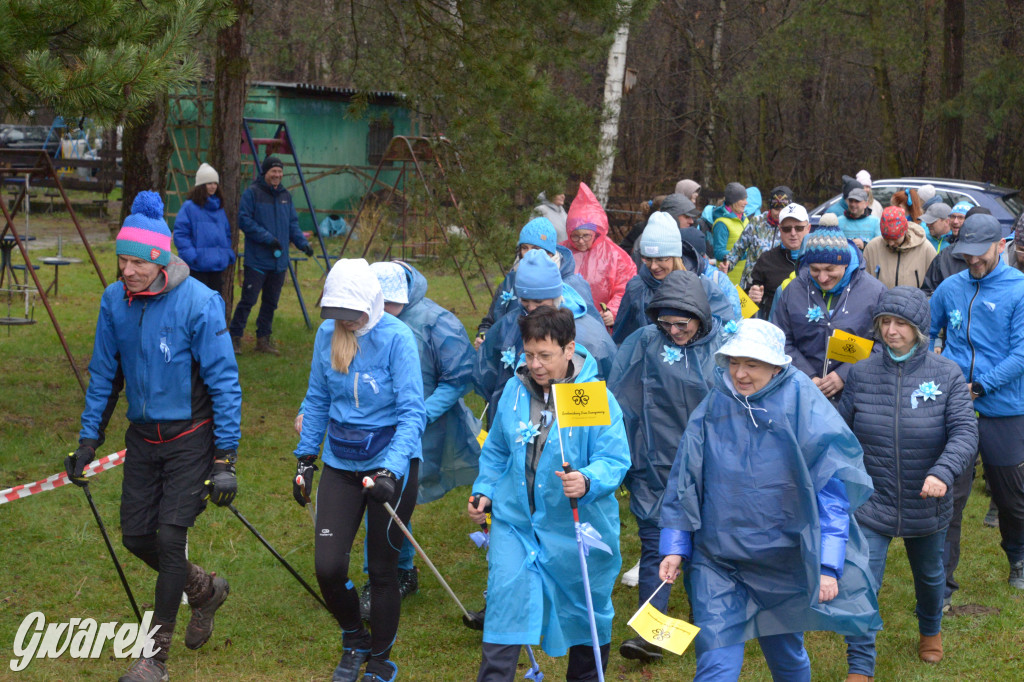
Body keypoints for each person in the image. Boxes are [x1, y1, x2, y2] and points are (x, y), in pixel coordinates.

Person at [64, 192, 241, 682]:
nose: (127, 269)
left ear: (161, 259)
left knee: (168, 539)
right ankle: (205, 590)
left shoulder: (200, 303)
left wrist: (225, 459)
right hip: (144, 438)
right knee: (137, 536)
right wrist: (87, 442)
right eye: (121, 258)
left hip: (192, 437)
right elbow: (105, 376)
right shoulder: (112, 302)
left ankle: (154, 660)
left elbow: (225, 382)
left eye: (137, 261)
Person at [658, 318, 881, 682]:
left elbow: (831, 491)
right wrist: (675, 545)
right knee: (715, 662)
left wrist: (828, 564)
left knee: (787, 657)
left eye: (752, 364)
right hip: (719, 561)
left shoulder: (802, 403)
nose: (740, 373)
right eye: (733, 362)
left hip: (782, 558)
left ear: (776, 365)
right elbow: (686, 479)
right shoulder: (716, 403)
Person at [468, 305, 630, 682]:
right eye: (528, 355)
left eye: (545, 355)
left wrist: (587, 480)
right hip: (515, 523)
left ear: (570, 349)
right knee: (505, 604)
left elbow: (614, 458)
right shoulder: (513, 389)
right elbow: (496, 451)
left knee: (584, 610)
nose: (535, 365)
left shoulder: (592, 397)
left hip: (575, 527)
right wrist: (484, 490)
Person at [292, 258, 426, 682]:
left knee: (382, 569)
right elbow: (316, 400)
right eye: (337, 316)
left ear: (370, 303)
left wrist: (389, 470)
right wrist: (305, 459)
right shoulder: (327, 335)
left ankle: (382, 659)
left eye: (351, 316)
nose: (345, 324)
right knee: (328, 567)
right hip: (341, 461)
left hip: (391, 464)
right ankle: (355, 639)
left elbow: (411, 413)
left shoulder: (397, 338)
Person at [840, 287, 977, 681]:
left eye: (901, 323)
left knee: (931, 575)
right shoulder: (862, 373)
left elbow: (965, 433)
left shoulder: (947, 373)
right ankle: (861, 663)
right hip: (873, 498)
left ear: (920, 329)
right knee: (861, 579)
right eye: (885, 322)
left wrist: (942, 471)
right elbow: (841, 430)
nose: (892, 331)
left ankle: (930, 629)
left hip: (927, 500)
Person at [608, 270, 723, 664]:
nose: (673, 331)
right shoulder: (644, 342)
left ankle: (705, 620)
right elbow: (618, 398)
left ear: (701, 316)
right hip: (653, 464)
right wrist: (626, 457)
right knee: (657, 547)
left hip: (707, 471)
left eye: (682, 323)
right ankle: (650, 633)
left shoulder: (722, 348)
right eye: (665, 323)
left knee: (704, 549)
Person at [930, 213, 1024, 594]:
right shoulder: (951, 287)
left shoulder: (1019, 289)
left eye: (979, 254)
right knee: (949, 496)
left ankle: (1018, 557)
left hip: (1004, 408)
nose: (972, 261)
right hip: (956, 406)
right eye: (965, 254)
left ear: (1000, 246)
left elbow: (1021, 355)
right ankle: (942, 582)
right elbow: (925, 328)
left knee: (1011, 496)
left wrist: (980, 387)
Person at [475, 249, 616, 428]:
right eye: (525, 301)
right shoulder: (509, 324)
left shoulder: (586, 334)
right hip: (517, 421)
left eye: (539, 302)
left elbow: (599, 404)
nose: (531, 308)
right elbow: (489, 372)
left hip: (571, 424)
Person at [771, 222, 887, 402]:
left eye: (830, 269)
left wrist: (844, 374)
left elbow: (884, 344)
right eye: (815, 270)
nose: (822, 278)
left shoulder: (875, 292)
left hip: (856, 397)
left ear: (845, 264)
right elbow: (779, 339)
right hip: (803, 393)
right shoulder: (794, 291)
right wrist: (807, 375)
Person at [229, 155, 315, 355]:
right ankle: (235, 338)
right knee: (248, 300)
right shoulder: (252, 193)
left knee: (271, 303)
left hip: (279, 262)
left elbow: (292, 224)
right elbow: (244, 220)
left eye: (279, 172)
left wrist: (303, 244)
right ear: (265, 172)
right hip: (258, 259)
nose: (277, 175)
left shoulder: (286, 196)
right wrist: (267, 238)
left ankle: (263, 340)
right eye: (273, 171)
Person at [612, 214, 735, 344]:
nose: (653, 266)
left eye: (660, 259)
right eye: (648, 259)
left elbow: (724, 331)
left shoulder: (703, 286)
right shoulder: (637, 287)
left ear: (675, 256)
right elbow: (622, 338)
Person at [475, 217, 597, 347]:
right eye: (524, 248)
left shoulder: (570, 284)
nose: (528, 253)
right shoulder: (511, 281)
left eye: (536, 248)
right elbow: (490, 321)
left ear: (550, 252)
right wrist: (484, 335)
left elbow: (586, 329)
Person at [560, 181, 637, 327]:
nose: (580, 241)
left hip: (600, 324)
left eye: (586, 236)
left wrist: (612, 311)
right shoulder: (561, 252)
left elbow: (626, 288)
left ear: (597, 233)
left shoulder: (616, 255)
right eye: (575, 236)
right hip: (564, 323)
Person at [173, 162, 235, 295]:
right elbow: (181, 234)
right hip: (197, 267)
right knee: (196, 303)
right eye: (209, 183)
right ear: (201, 185)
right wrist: (192, 256)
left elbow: (227, 233)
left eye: (215, 183)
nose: (213, 186)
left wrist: (226, 253)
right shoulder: (189, 207)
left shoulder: (219, 208)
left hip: (217, 267)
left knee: (214, 304)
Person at [747, 202, 810, 320]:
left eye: (799, 228)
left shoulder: (818, 259)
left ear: (808, 228)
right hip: (774, 327)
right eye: (787, 229)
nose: (793, 233)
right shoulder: (766, 260)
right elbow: (745, 303)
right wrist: (751, 295)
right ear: (779, 229)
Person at [722, 186, 792, 289]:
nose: (779, 213)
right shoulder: (756, 222)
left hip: (778, 287)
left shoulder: (793, 228)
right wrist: (728, 263)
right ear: (770, 207)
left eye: (783, 209)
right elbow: (738, 248)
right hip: (751, 284)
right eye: (776, 209)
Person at [863, 206, 936, 289]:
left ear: (904, 231)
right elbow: (864, 282)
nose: (891, 243)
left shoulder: (926, 249)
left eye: (895, 239)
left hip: (914, 301)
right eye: (886, 238)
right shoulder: (872, 248)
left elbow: (934, 284)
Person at [710, 182, 749, 285]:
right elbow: (718, 252)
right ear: (733, 201)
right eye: (743, 199)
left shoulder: (745, 219)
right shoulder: (721, 223)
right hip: (730, 281)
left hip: (746, 279)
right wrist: (745, 254)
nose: (746, 203)